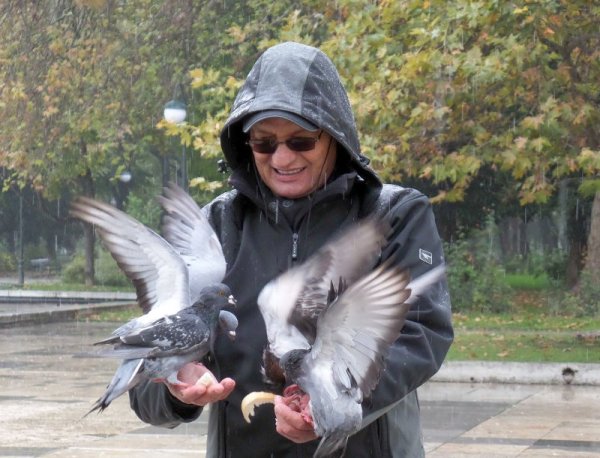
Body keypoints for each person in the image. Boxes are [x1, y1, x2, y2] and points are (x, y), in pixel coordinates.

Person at [129, 41, 453, 457]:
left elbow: (424, 335)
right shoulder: (217, 228)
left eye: (301, 141)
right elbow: (144, 383)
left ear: (335, 137)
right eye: (264, 143)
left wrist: (331, 406)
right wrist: (176, 384)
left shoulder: (394, 214)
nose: (282, 157)